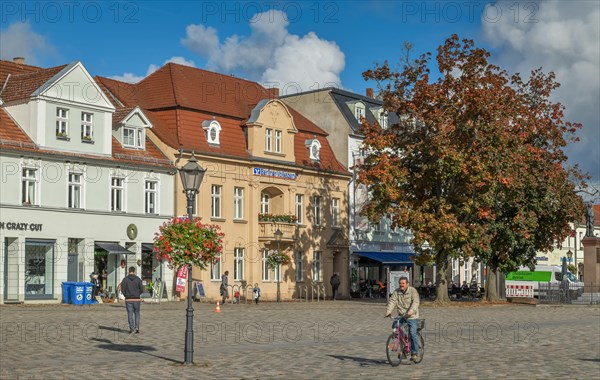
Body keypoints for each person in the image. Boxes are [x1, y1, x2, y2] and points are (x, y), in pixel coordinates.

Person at [384, 277, 421, 362]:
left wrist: (412, 311)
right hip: (401, 315)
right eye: (400, 283)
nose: (401, 285)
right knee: (395, 327)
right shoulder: (396, 292)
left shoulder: (413, 291)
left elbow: (416, 301)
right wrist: (388, 311)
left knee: (412, 333)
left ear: (407, 284)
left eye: (403, 283)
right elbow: (392, 301)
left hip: (412, 316)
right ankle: (402, 346)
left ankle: (414, 353)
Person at [118, 267, 144, 334]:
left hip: (128, 299)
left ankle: (131, 329)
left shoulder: (125, 279)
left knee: (130, 313)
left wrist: (126, 295)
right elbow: (142, 289)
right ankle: (137, 328)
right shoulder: (138, 279)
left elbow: (122, 289)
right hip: (137, 299)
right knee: (137, 313)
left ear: (128, 271)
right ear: (134, 271)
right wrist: (137, 294)